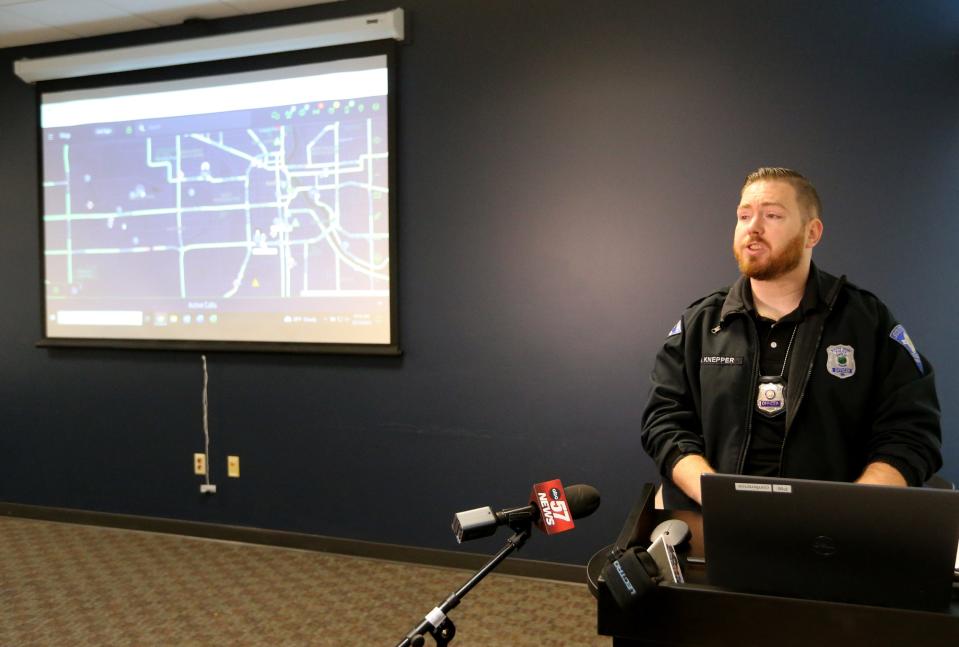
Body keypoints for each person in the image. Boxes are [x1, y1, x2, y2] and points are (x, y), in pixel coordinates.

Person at [640, 167, 942, 510]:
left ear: (811, 233)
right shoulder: (702, 323)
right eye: (744, 215)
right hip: (714, 528)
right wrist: (711, 494)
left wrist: (852, 509)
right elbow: (664, 421)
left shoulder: (866, 321)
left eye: (772, 215)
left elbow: (912, 432)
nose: (753, 227)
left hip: (831, 537)